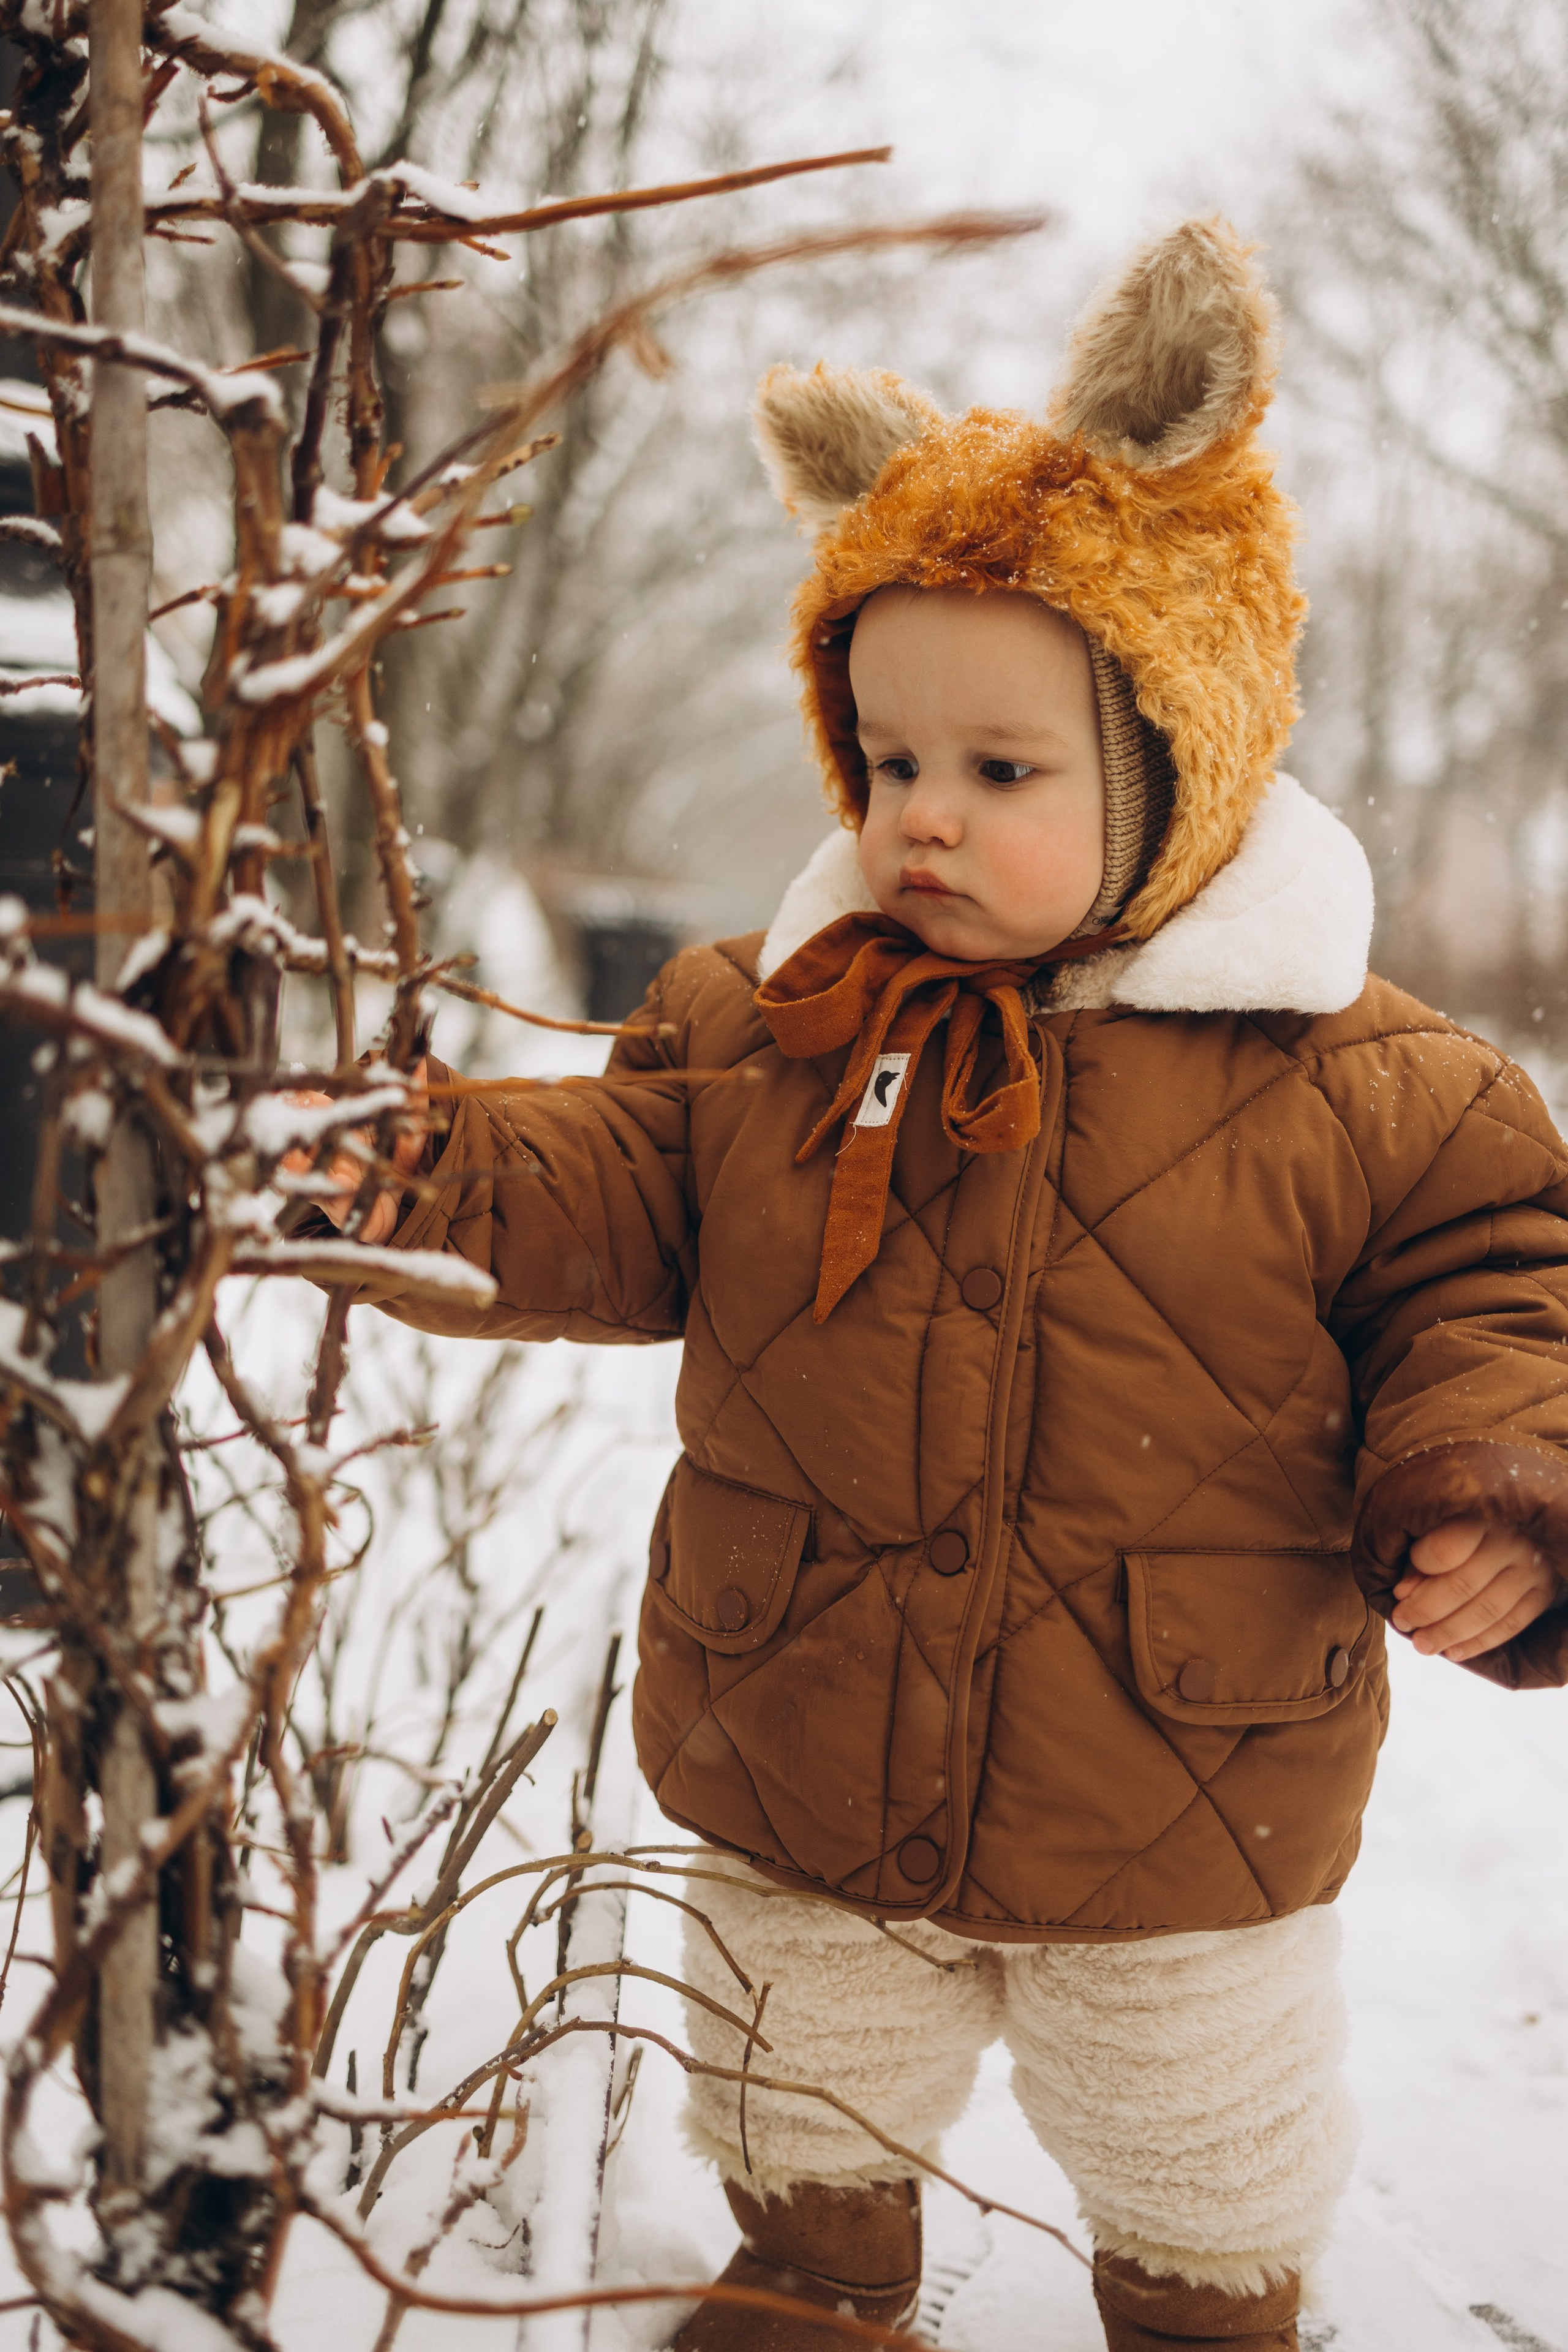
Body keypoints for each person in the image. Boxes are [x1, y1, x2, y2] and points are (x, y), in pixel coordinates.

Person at [297, 221, 1568, 2351]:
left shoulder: (1373, 1084)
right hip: (808, 1718)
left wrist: (1502, 1482)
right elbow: (605, 1189)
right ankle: (813, 2287)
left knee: (1200, 2135)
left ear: (1180, 752)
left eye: (1002, 773)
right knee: (799, 2073)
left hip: (1181, 1776)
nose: (922, 821)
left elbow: (1509, 1288)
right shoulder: (768, 1023)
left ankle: (1204, 2320)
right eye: (889, 763)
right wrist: (403, 1158)